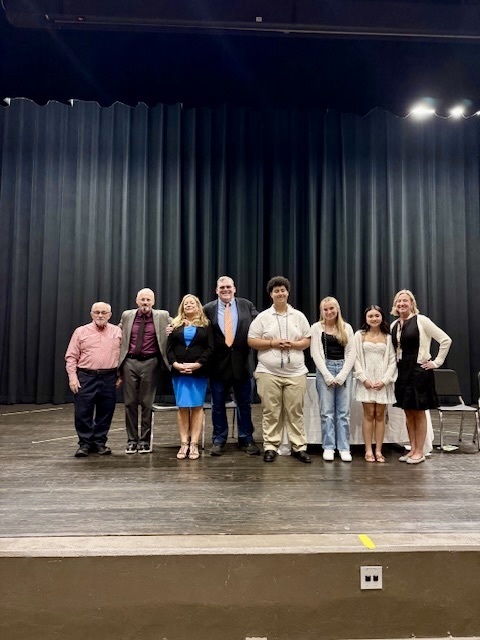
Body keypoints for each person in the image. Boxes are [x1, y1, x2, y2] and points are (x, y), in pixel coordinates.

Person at [248, 276, 312, 463]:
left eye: (283, 290)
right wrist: (272, 343)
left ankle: (298, 447)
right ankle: (270, 446)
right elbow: (251, 340)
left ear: (288, 292)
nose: (280, 293)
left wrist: (293, 344)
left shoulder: (299, 316)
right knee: (271, 411)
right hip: (268, 372)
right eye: (276, 290)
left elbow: (307, 340)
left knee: (295, 412)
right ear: (271, 294)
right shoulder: (263, 317)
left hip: (296, 373)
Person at [391, 289, 452, 464]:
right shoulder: (395, 325)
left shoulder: (422, 321)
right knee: (408, 412)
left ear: (412, 304)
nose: (401, 304)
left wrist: (436, 362)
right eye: (399, 301)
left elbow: (445, 340)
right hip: (402, 372)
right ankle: (412, 449)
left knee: (419, 412)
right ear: (395, 305)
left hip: (419, 372)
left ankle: (420, 451)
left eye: (405, 301)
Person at [203, 276, 260, 456]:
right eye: (222, 288)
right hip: (217, 366)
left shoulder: (246, 305)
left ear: (234, 289)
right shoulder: (207, 309)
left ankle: (246, 438)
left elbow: (260, 325)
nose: (225, 290)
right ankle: (219, 439)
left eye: (228, 287)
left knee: (244, 404)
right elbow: (194, 327)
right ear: (216, 290)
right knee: (217, 405)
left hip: (243, 364)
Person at [65, 302, 122, 458]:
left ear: (110, 315)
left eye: (104, 312)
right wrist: (72, 377)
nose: (100, 315)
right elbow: (71, 357)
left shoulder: (117, 332)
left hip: (109, 377)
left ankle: (99, 443)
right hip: (85, 376)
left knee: (106, 412)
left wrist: (121, 375)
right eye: (97, 312)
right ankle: (84, 444)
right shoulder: (80, 332)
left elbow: (123, 356)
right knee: (83, 412)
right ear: (91, 314)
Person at [118, 288, 171, 454]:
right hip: (130, 362)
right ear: (137, 301)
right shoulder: (127, 315)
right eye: (142, 300)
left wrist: (172, 330)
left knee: (147, 403)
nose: (145, 303)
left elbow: (177, 326)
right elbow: (118, 332)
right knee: (130, 403)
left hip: (151, 363)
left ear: (153, 302)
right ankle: (132, 440)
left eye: (148, 300)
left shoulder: (162, 315)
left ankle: (145, 441)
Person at [167, 295, 214, 460]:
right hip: (179, 372)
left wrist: (198, 364)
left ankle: (194, 444)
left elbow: (210, 348)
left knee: (196, 407)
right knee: (182, 407)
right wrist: (175, 364)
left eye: (191, 303)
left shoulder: (206, 325)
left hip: (198, 372)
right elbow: (169, 349)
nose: (188, 305)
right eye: (185, 303)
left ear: (198, 306)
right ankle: (183, 443)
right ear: (182, 307)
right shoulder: (174, 324)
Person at [311, 296, 356, 462]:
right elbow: (315, 353)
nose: (329, 312)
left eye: (332, 308)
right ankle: (328, 446)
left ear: (337, 309)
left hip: (344, 369)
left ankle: (344, 448)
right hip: (325, 370)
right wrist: (328, 375)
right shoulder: (316, 328)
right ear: (322, 311)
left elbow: (352, 353)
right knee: (327, 412)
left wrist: (343, 374)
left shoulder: (347, 328)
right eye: (325, 309)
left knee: (343, 413)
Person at [354, 305, 397, 463]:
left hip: (382, 382)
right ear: (366, 318)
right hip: (366, 381)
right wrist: (363, 378)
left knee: (380, 415)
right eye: (370, 316)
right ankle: (368, 450)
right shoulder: (359, 335)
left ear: (382, 317)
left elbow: (392, 361)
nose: (374, 318)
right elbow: (355, 358)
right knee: (368, 415)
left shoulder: (388, 337)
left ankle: (378, 450)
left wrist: (385, 381)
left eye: (376, 315)